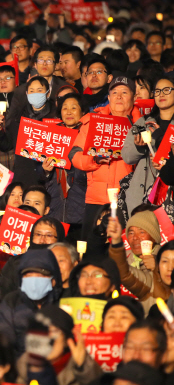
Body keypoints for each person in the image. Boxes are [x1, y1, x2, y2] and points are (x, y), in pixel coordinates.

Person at [69, 76, 142, 240]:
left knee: (122, 251)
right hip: (96, 198)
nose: (119, 96)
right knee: (92, 249)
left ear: (134, 97)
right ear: (108, 98)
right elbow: (74, 155)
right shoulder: (93, 121)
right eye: (114, 92)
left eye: (124, 92)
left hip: (129, 200)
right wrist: (93, 161)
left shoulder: (143, 127)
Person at [121, 77, 174, 217]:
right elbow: (126, 156)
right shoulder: (144, 122)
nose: (161, 94)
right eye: (157, 91)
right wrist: (139, 148)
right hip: (142, 194)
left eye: (167, 90)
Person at [0, 249, 63, 357]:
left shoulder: (63, 303)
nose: (34, 281)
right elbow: (4, 343)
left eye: (41, 275)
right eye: (28, 275)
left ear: (53, 280)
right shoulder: (12, 301)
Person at [0, 75, 57, 185]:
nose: (35, 94)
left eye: (39, 90)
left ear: (48, 93)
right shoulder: (18, 118)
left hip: (50, 179)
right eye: (31, 91)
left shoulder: (56, 118)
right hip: (24, 176)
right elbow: (6, 145)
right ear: (26, 94)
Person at [17, 304, 103, 385]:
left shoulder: (79, 367)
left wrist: (83, 366)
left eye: (54, 331)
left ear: (66, 340)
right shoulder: (24, 367)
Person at [40, 94, 87, 234]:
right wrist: (46, 171)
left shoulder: (88, 135)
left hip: (80, 205)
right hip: (55, 204)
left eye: (74, 108)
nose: (69, 112)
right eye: (64, 108)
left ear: (83, 112)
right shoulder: (51, 136)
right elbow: (39, 173)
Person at [108, 213, 171, 314]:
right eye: (131, 232)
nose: (135, 237)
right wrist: (116, 241)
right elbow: (122, 270)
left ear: (154, 237)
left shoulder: (165, 258)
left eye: (141, 232)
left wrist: (157, 268)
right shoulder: (122, 257)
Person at [0, 215, 66, 299]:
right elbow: (3, 291)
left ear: (59, 238)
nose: (42, 240)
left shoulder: (63, 264)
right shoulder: (15, 262)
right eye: (38, 234)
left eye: (49, 235)